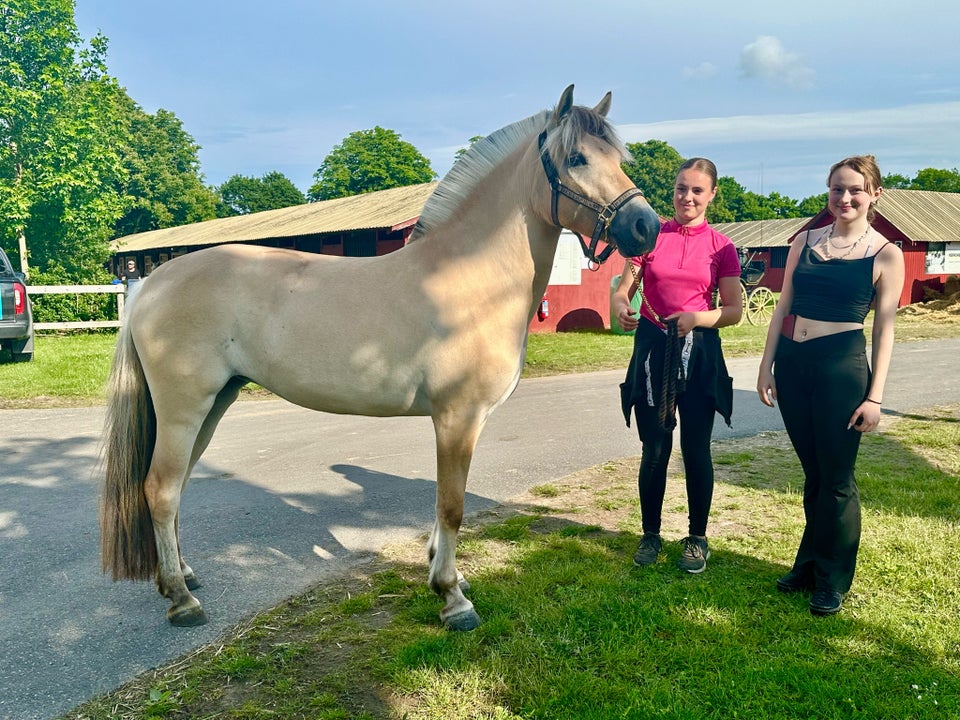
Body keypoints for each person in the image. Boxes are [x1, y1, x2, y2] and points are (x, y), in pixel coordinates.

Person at [756, 155, 905, 616]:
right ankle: (809, 564)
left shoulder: (885, 254)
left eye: (855, 190)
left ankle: (833, 579)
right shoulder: (805, 241)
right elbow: (782, 308)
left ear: (874, 194)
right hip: (794, 366)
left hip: (842, 368)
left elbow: (884, 329)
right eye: (837, 189)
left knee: (837, 479)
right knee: (814, 474)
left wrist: (875, 396)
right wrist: (766, 366)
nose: (844, 198)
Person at [612, 158, 743, 574]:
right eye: (681, 188)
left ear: (712, 195)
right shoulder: (649, 236)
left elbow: (734, 310)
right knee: (655, 449)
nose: (687, 197)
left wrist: (696, 319)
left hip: (700, 351)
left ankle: (697, 538)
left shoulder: (722, 247)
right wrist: (619, 307)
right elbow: (623, 287)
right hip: (653, 348)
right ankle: (650, 534)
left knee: (695, 449)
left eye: (697, 190)